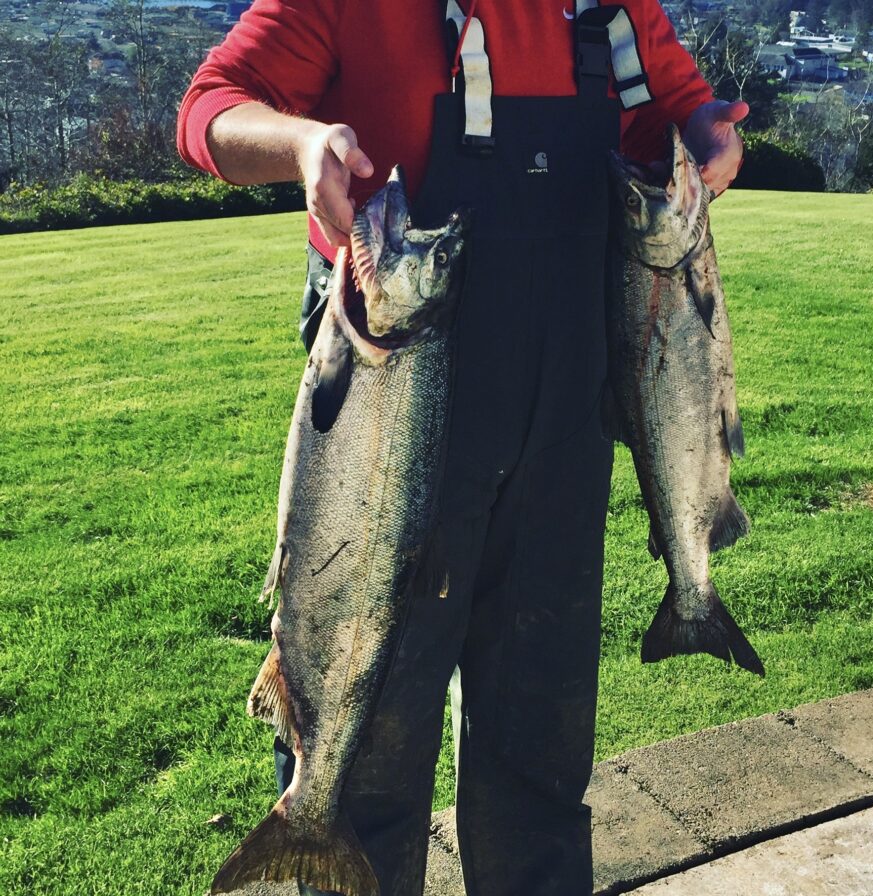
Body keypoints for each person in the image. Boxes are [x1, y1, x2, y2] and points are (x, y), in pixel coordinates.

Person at [177, 3, 745, 895]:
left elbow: (675, 112)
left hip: (562, 433)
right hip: (387, 429)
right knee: (362, 771)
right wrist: (299, 143)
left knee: (540, 776)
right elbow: (209, 109)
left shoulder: (608, 8)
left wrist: (713, 134)